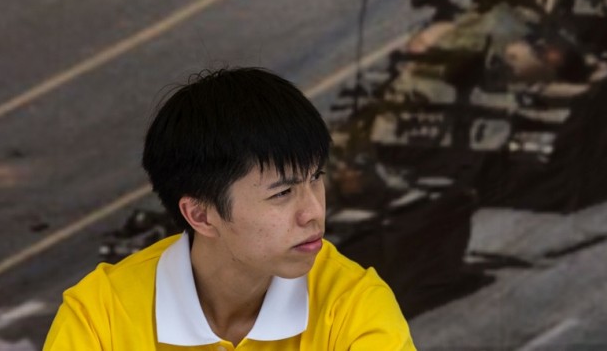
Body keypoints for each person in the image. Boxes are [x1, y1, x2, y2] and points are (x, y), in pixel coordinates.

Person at [43, 67, 416, 350]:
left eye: (315, 177)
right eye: (282, 193)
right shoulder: (99, 317)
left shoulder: (354, 305)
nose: (313, 211)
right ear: (201, 215)